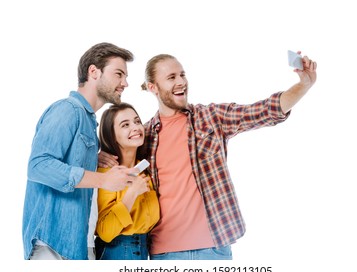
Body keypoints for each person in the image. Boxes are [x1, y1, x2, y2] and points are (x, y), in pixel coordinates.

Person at [99, 51, 317, 260]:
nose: (181, 81)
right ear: (152, 87)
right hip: (164, 253)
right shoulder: (145, 135)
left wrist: (303, 85)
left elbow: (264, 110)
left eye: (182, 74)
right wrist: (100, 157)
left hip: (214, 250)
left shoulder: (210, 118)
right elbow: (118, 151)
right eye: (171, 77)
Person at [22, 42, 138, 260]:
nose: (125, 83)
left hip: (78, 246)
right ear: (93, 72)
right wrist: (103, 180)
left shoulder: (87, 121)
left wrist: (92, 159)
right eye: (119, 74)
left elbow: (65, 163)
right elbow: (38, 165)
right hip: (54, 247)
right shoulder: (67, 109)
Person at [94, 102, 160, 260]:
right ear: (112, 136)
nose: (136, 127)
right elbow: (105, 232)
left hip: (144, 249)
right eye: (125, 125)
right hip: (115, 251)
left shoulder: (145, 170)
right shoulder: (105, 174)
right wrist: (132, 193)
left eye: (137, 121)